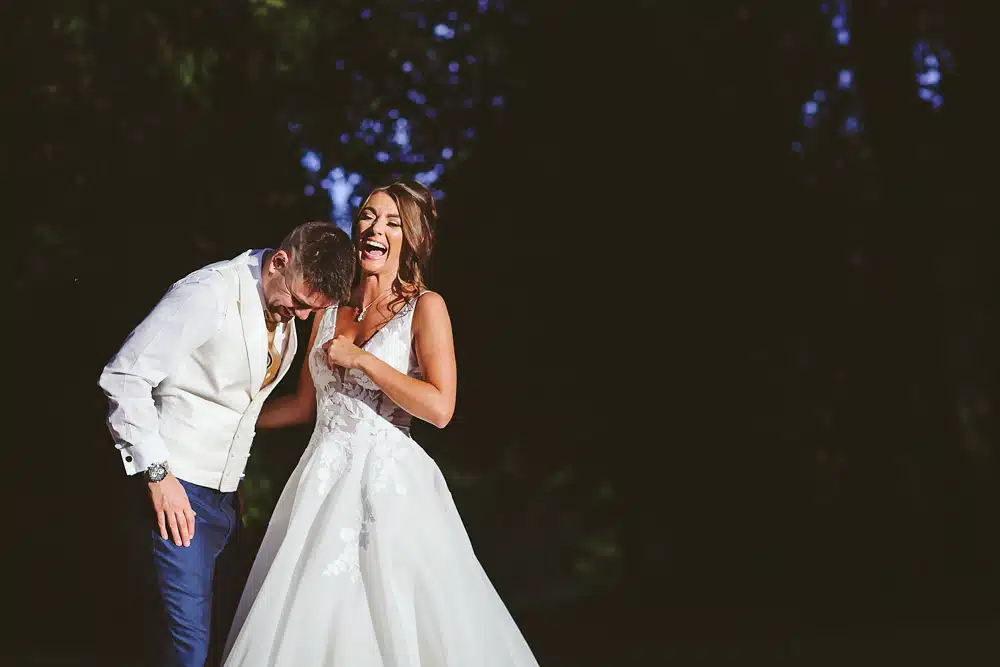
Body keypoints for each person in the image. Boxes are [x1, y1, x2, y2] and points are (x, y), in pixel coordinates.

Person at [222, 181, 539, 666]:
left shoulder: (425, 307)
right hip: (319, 484)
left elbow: (440, 408)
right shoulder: (329, 308)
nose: (375, 228)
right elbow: (304, 406)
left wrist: (364, 361)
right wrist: (235, 420)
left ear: (411, 238)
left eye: (392, 222)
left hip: (389, 489)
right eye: (369, 216)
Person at [99, 221, 356, 667]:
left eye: (309, 310)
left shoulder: (284, 312)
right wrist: (158, 474)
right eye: (296, 301)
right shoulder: (208, 293)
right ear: (280, 261)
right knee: (188, 651)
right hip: (177, 495)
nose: (298, 316)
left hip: (225, 504)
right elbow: (124, 376)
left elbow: (241, 407)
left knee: (231, 644)